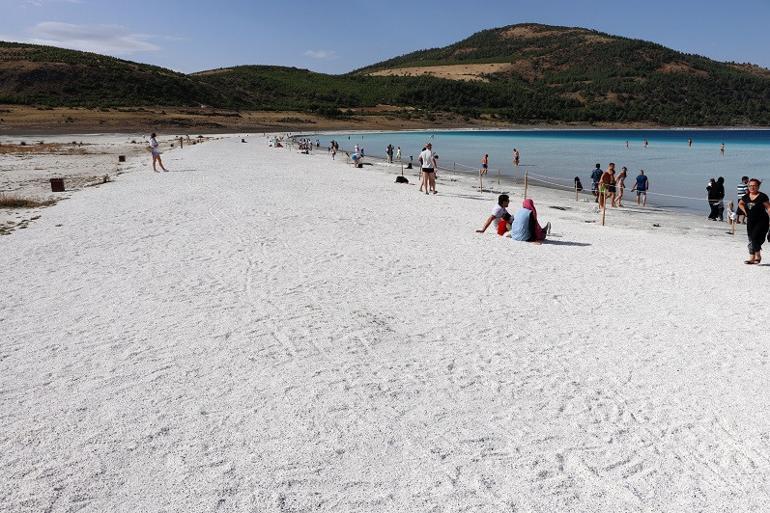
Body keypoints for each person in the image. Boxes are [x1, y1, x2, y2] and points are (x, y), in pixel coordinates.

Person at [738, 179, 770, 264]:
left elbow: (768, 208)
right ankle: (752, 258)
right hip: (751, 221)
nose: (752, 187)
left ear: (758, 186)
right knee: (751, 239)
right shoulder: (745, 197)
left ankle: (758, 256)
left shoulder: (763, 196)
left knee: (754, 237)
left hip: (762, 220)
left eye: (754, 185)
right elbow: (740, 204)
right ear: (748, 186)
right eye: (750, 185)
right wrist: (745, 212)